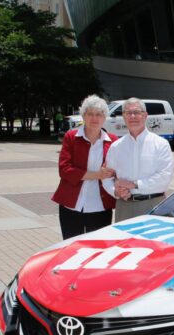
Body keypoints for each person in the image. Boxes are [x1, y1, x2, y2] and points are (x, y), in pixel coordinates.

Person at [52, 95, 117, 240]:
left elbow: (117, 172)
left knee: (98, 250)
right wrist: (97, 175)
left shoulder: (113, 141)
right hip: (71, 206)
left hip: (100, 206)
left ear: (104, 117)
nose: (94, 118)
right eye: (90, 114)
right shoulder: (71, 136)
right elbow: (64, 170)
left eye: (99, 114)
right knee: (71, 249)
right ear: (83, 116)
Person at [103, 97, 174, 222]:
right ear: (123, 117)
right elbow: (106, 176)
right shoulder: (116, 147)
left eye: (136, 112)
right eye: (128, 113)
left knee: (153, 242)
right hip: (124, 206)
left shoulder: (160, 144)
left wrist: (134, 184)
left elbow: (164, 178)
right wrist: (115, 191)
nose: (132, 116)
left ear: (145, 115)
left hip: (153, 205)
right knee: (124, 241)